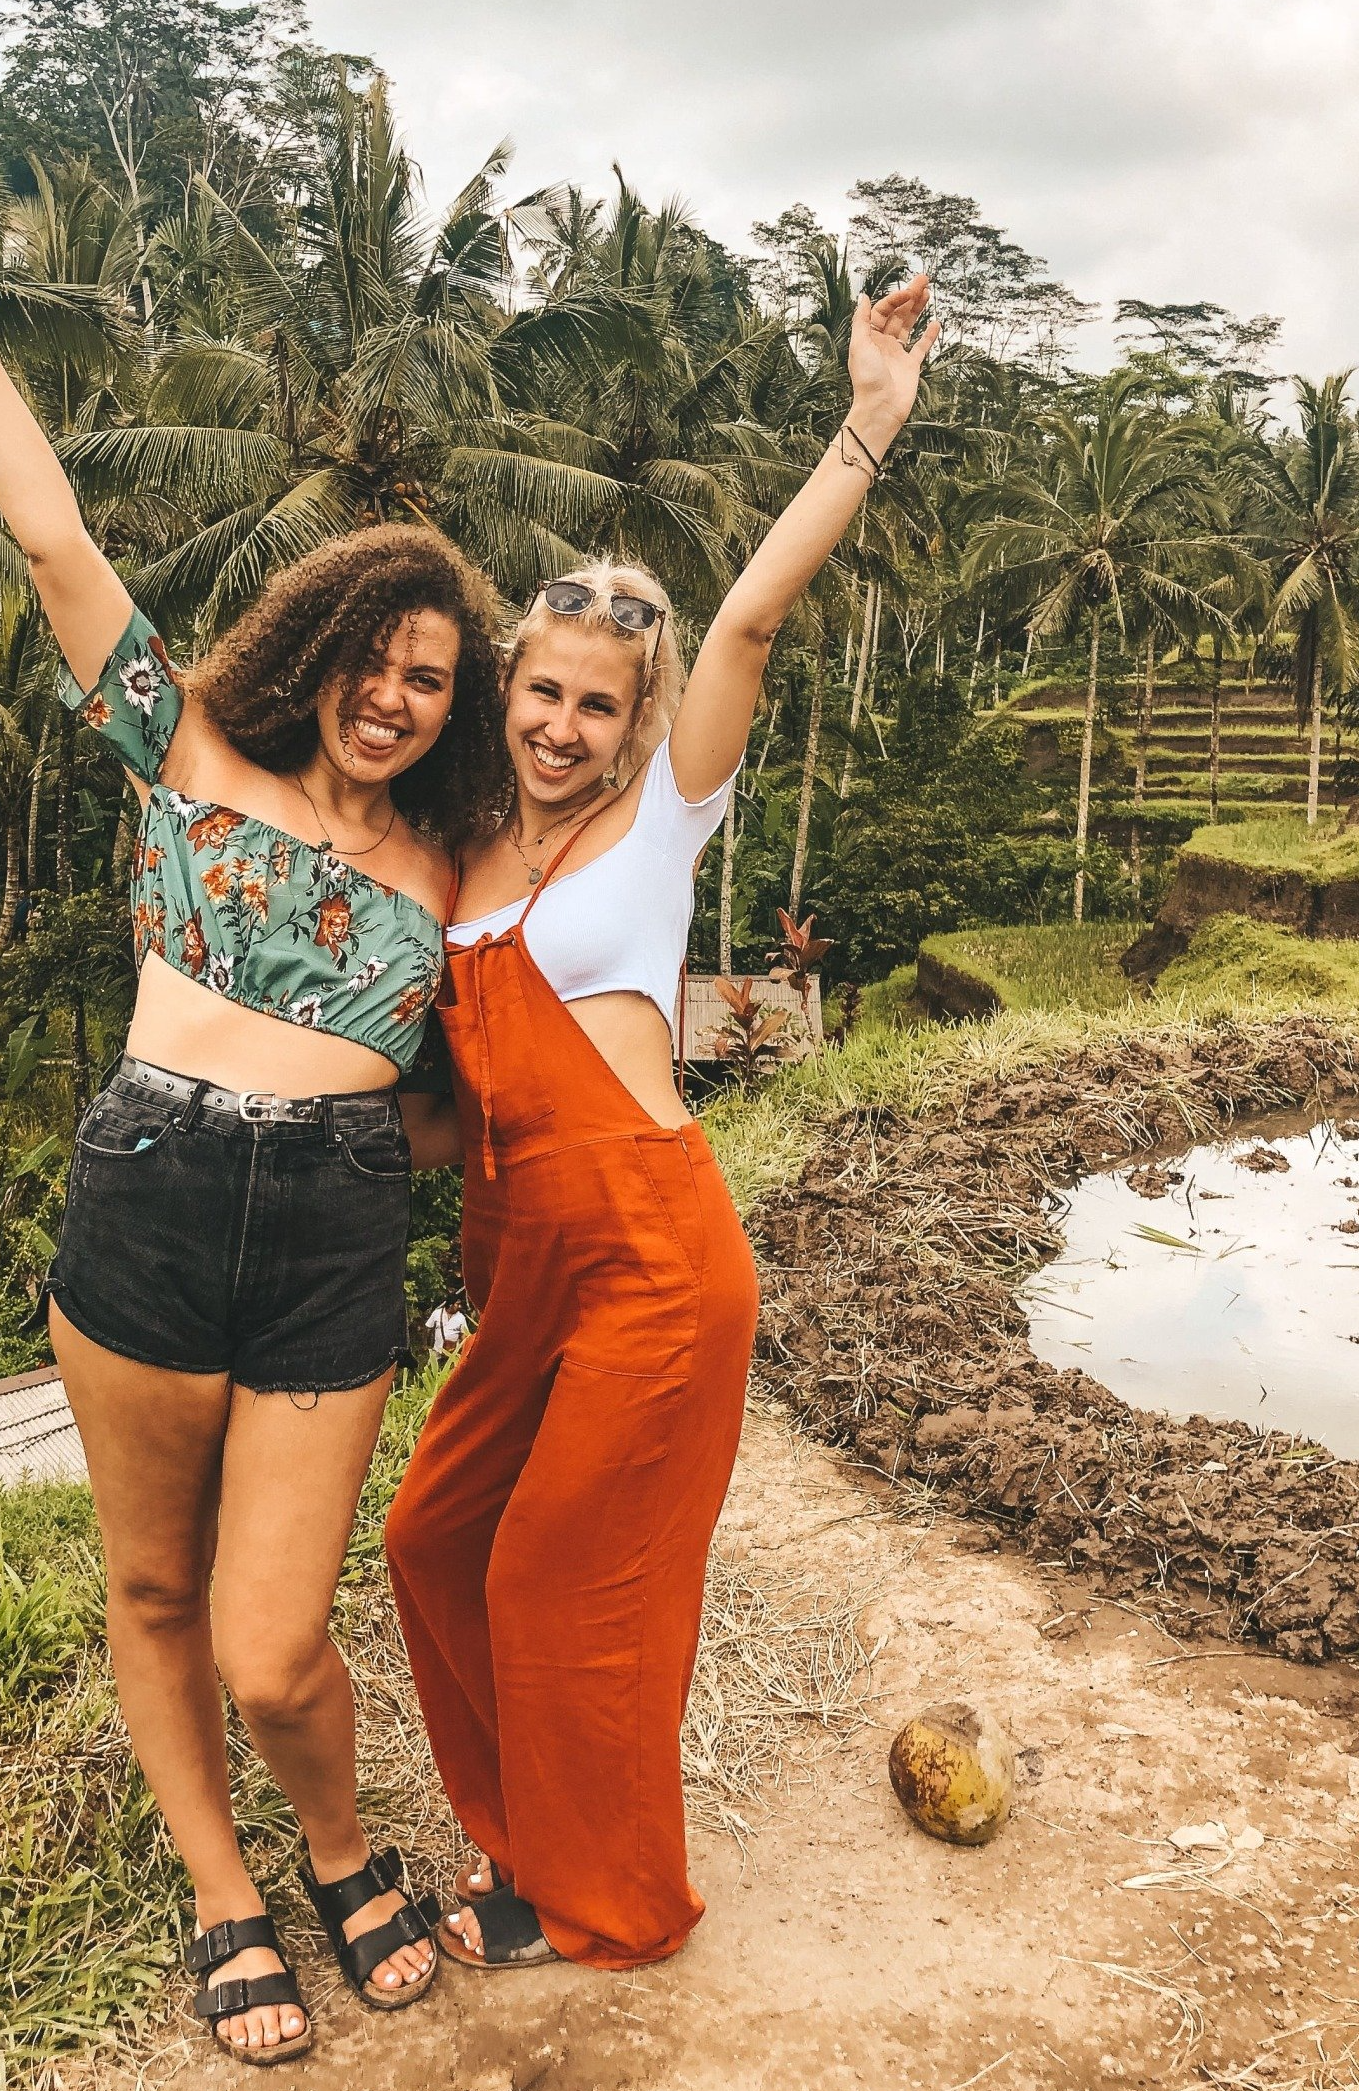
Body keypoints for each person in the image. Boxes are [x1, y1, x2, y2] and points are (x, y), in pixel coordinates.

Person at [0, 111, 512, 2065]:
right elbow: (53, 534)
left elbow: (506, 1049)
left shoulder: (446, 870)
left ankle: (338, 1842)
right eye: (378, 659)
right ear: (319, 649)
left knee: (269, 1636)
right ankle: (234, 1892)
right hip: (141, 1189)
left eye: (431, 679)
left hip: (327, 1228)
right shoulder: (192, 745)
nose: (397, 696)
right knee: (151, 1585)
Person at [385, 275, 938, 1971]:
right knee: (433, 1537)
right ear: (508, 696)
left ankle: (600, 1896)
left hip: (648, 1253)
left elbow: (755, 618)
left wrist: (867, 421)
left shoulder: (658, 832)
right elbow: (431, 1112)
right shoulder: (459, 859)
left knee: (562, 1578)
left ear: (638, 723)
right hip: (517, 1264)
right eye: (539, 697)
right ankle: (519, 1843)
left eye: (597, 707)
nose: (563, 728)